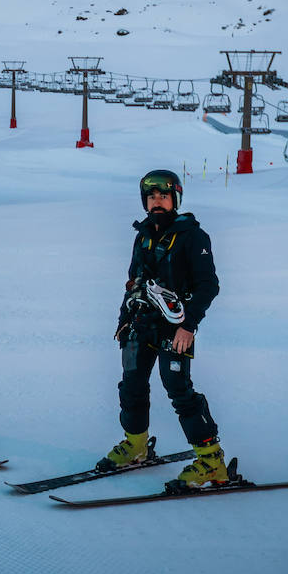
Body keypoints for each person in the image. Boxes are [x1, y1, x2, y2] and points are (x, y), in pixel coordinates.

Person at [100, 169, 227, 490]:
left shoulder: (193, 236)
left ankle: (211, 460)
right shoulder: (142, 235)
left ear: (175, 199)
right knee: (131, 386)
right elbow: (133, 284)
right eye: (152, 197)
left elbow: (208, 285)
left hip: (175, 328)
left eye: (164, 196)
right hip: (140, 325)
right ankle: (136, 445)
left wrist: (188, 326)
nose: (157, 202)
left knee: (178, 389)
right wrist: (122, 321)